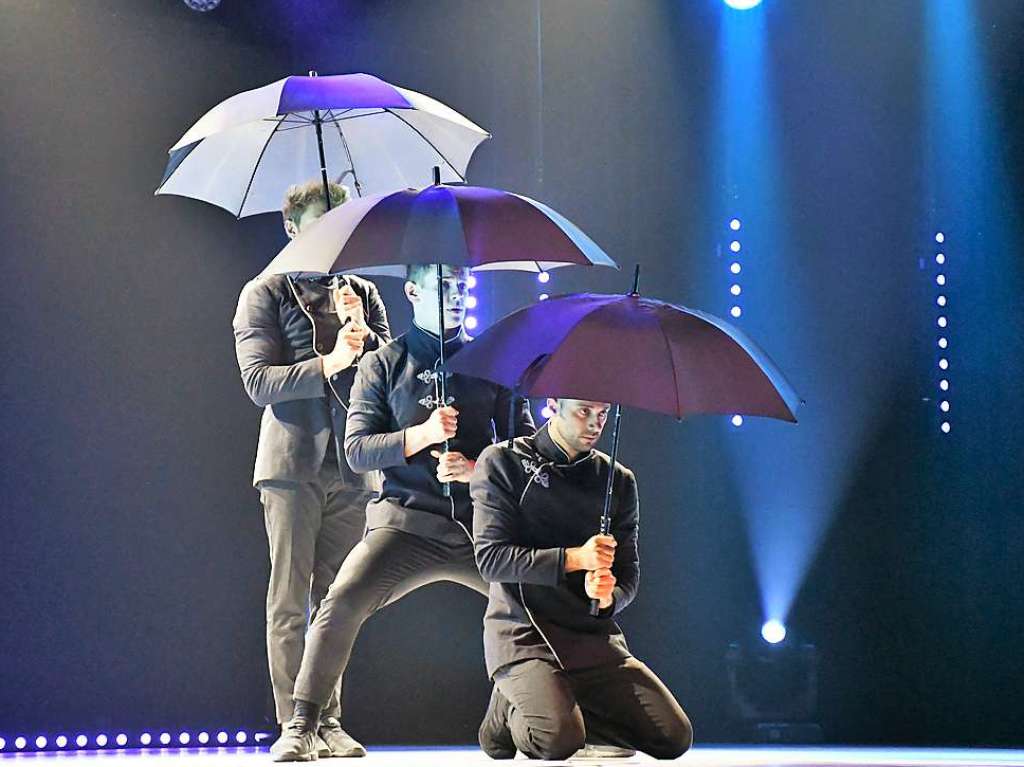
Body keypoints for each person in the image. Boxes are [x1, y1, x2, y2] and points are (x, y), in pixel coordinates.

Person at [271, 264, 535, 762]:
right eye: (444, 286)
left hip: (481, 529)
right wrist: (422, 436)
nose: (456, 296)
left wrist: (479, 468)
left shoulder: (495, 362)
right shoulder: (384, 363)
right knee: (341, 599)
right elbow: (358, 450)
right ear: (413, 292)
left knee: (539, 601)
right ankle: (302, 722)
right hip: (406, 524)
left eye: (462, 286)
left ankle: (509, 716)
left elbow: (525, 450)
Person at [233, 179, 390, 758]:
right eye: (322, 221)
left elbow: (393, 378)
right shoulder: (265, 292)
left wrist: (367, 338)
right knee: (291, 599)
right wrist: (330, 362)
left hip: (352, 468)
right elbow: (258, 382)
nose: (334, 232)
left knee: (339, 601)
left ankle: (329, 721)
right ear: (294, 228)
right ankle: (292, 725)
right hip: (292, 464)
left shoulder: (364, 294)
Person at [471, 398, 693, 760]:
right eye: (583, 411)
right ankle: (506, 711)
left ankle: (560, 703)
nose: (595, 423)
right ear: (553, 405)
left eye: (602, 414)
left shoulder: (618, 480)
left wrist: (609, 596)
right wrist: (576, 558)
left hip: (590, 637)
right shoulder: (502, 461)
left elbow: (629, 573)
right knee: (557, 741)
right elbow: (492, 560)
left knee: (672, 737)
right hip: (524, 633)